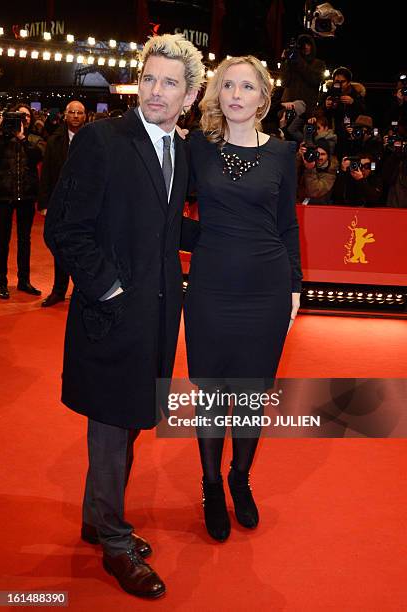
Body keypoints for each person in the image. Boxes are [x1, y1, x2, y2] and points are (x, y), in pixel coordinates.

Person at [44, 34, 203, 598]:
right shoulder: (101, 139)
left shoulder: (180, 151)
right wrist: (107, 288)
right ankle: (113, 539)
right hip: (110, 315)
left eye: (170, 83)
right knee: (111, 427)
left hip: (157, 318)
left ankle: (95, 516)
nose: (156, 92)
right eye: (151, 79)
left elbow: (163, 230)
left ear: (189, 95)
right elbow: (64, 228)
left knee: (129, 419)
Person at [184, 56, 302, 542]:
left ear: (262, 98)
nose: (236, 93)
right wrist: (208, 235)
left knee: (251, 395)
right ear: (216, 94)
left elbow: (287, 224)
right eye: (227, 85)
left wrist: (295, 285)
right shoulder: (196, 147)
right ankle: (212, 485)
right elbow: (167, 210)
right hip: (210, 288)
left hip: (267, 290)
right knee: (211, 393)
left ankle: (239, 478)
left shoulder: (281, 153)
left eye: (246, 86)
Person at [39, 101, 87, 307]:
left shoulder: (93, 140)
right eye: (72, 112)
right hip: (60, 203)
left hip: (86, 203)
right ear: (65, 115)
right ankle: (59, 290)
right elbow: (47, 174)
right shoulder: (54, 141)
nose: (75, 116)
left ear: (85, 116)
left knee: (83, 248)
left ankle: (82, 290)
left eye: (79, 113)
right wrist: (44, 203)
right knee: (59, 247)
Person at [0, 104, 44, 299]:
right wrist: (2, 130)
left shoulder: (34, 139)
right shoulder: (1, 139)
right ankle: (1, 282)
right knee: (2, 241)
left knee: (25, 241)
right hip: (3, 195)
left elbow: (37, 156)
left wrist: (22, 138)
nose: (22, 119)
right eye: (18, 115)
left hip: (26, 195)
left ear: (31, 119)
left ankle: (24, 281)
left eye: (26, 116)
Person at [281, 34, 325, 117]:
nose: (306, 47)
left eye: (308, 44)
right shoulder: (293, 62)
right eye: (303, 45)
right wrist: (284, 62)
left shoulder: (319, 64)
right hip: (288, 104)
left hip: (307, 108)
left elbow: (314, 80)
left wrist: (299, 60)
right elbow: (284, 82)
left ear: (312, 46)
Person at [297, 138, 339, 204]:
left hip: (318, 209)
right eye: (317, 154)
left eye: (323, 154)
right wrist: (299, 156)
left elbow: (314, 192)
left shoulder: (331, 172)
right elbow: (290, 175)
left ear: (328, 156)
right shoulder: (305, 163)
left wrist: (310, 169)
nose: (319, 157)